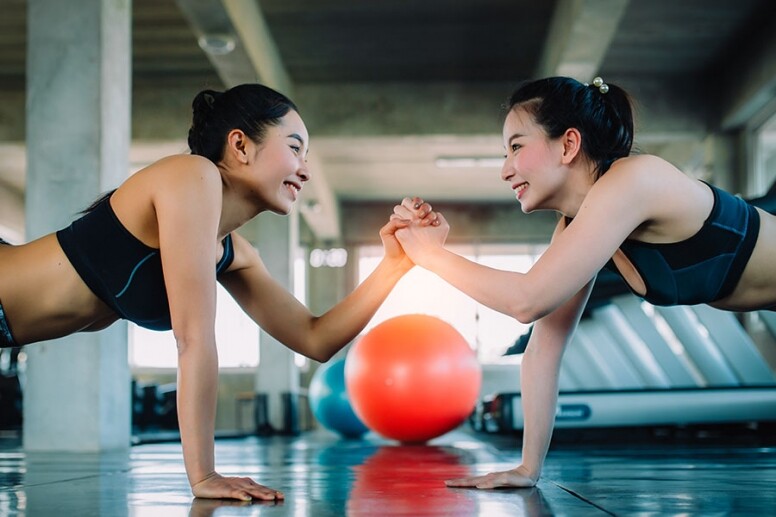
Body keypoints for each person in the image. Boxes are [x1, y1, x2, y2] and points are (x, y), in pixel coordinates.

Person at [0, 83, 438, 501]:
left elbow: (314, 338)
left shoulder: (233, 252)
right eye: (294, 148)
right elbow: (193, 339)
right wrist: (204, 475)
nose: (305, 169)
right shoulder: (191, 176)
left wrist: (395, 264)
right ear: (241, 145)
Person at [391, 76, 776, 489]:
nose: (505, 170)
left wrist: (430, 255)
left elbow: (527, 299)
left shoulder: (635, 180)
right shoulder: (578, 224)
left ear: (569, 144)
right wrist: (528, 468)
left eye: (516, 147)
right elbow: (543, 349)